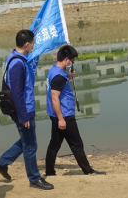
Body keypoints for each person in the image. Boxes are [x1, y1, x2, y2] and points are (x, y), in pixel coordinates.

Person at [0, 30, 54, 190]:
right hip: (22, 109)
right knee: (31, 145)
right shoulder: (18, 63)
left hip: (22, 109)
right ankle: (34, 179)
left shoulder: (14, 57)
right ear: (27, 44)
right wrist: (23, 116)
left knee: (27, 140)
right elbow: (18, 93)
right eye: (33, 43)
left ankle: (2, 163)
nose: (34, 45)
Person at [45, 45, 106, 177]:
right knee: (76, 144)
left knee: (54, 144)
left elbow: (58, 85)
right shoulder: (59, 77)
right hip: (64, 115)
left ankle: (49, 172)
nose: (72, 63)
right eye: (72, 61)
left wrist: (68, 77)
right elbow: (55, 97)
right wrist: (61, 119)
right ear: (66, 60)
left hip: (56, 114)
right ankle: (88, 171)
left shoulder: (55, 71)